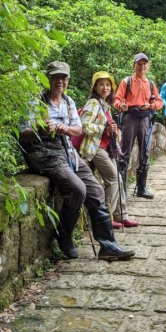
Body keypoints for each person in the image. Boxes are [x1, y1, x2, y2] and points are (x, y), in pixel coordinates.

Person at [19, 61, 135, 261]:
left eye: (63, 77)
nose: (60, 81)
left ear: (68, 80)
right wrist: (40, 129)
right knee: (77, 189)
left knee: (96, 191)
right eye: (56, 77)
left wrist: (62, 128)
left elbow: (78, 130)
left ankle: (108, 245)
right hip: (45, 153)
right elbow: (22, 134)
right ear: (49, 79)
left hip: (67, 151)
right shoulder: (36, 102)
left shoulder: (69, 102)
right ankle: (65, 236)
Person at [79, 71, 139, 228]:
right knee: (113, 178)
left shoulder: (104, 105)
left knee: (118, 179)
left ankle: (121, 215)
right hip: (95, 148)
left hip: (107, 148)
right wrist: (104, 129)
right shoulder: (93, 103)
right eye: (101, 84)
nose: (105, 87)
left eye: (107, 85)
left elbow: (110, 126)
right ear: (95, 87)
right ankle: (107, 218)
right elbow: (83, 126)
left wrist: (115, 130)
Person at [114, 53, 163, 199]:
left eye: (144, 64)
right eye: (139, 63)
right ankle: (122, 190)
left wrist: (151, 105)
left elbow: (160, 102)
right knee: (124, 152)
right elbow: (116, 100)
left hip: (144, 118)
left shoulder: (151, 84)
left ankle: (142, 188)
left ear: (148, 66)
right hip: (130, 117)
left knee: (145, 152)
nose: (142, 66)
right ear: (134, 65)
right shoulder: (126, 81)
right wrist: (121, 105)